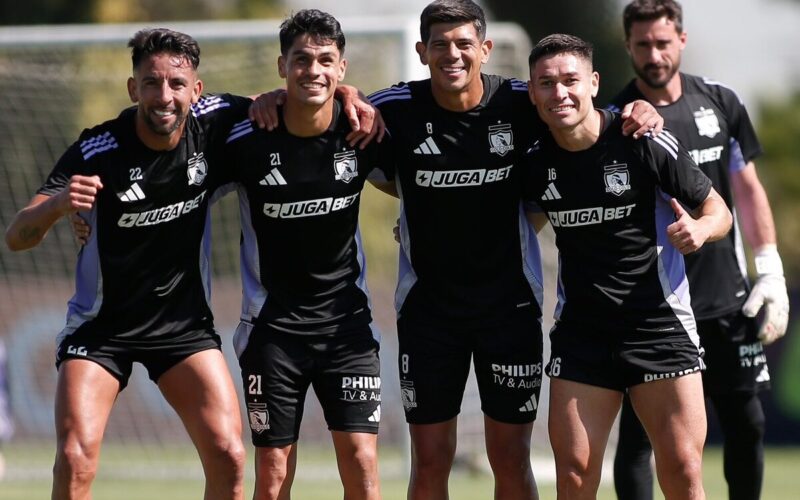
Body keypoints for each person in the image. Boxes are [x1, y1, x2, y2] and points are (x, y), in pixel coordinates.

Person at [250, 3, 662, 498]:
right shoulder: (394, 110)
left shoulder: (520, 104)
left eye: (464, 44)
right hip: (429, 315)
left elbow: (578, 111)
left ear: (485, 50)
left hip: (509, 310)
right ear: (422, 51)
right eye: (440, 44)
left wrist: (636, 109)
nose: (452, 54)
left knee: (509, 458)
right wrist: (322, 93)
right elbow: (322, 109)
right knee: (430, 461)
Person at [4, 29, 246, 499]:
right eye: (151, 83)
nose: (164, 96)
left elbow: (286, 96)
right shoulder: (97, 151)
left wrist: (344, 92)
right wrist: (57, 207)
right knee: (74, 460)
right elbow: (17, 236)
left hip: (183, 328)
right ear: (133, 88)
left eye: (177, 84)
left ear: (196, 91)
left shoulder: (215, 123)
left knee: (230, 456)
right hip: (101, 330)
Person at [523, 33, 732, 499]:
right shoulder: (534, 161)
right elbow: (512, 223)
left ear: (593, 83)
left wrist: (699, 231)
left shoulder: (642, 139)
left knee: (681, 469)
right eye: (547, 83)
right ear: (532, 91)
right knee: (575, 475)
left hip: (658, 328)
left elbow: (719, 211)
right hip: (582, 335)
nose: (560, 93)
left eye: (571, 80)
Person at [205, 10, 392, 500]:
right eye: (302, 59)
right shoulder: (245, 138)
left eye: (326, 60)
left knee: (362, 464)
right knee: (271, 474)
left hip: (347, 327)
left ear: (342, 69)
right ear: (281, 65)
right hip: (272, 331)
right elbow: (182, 189)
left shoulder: (363, 131)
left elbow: (423, 184)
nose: (314, 70)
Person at [608, 2, 790, 499]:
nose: (653, 54)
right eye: (642, 44)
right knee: (641, 436)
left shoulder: (721, 101)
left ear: (681, 41)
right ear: (628, 46)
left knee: (747, 420)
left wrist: (769, 269)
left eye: (662, 42)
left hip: (725, 294)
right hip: (653, 304)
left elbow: (747, 189)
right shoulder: (617, 119)